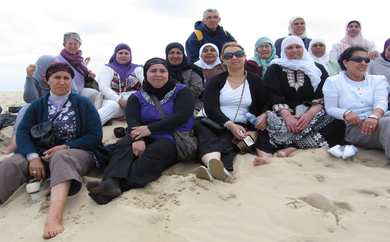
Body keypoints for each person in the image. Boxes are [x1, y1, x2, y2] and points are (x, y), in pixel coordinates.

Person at [0, 63, 111, 239]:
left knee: (60, 156)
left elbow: (95, 136)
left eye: (66, 78)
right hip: (42, 153)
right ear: (48, 81)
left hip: (79, 152)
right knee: (11, 163)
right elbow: (22, 132)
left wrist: (66, 146)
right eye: (57, 77)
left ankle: (54, 216)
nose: (62, 81)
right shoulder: (36, 105)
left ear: (71, 81)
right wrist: (33, 156)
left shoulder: (83, 103)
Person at [86, 58, 195, 205]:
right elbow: (132, 121)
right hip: (142, 133)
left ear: (168, 74)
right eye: (153, 71)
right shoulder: (136, 97)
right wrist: (138, 139)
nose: (158, 74)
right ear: (145, 74)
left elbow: (182, 116)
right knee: (123, 146)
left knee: (152, 155)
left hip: (172, 136)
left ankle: (119, 186)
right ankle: (111, 181)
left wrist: (150, 129)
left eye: (162, 71)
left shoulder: (181, 90)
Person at [194, 42, 271, 182]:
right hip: (209, 120)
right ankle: (215, 164)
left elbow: (263, 104)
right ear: (223, 61)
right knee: (207, 137)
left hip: (239, 123)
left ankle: (216, 168)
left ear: (245, 57)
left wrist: (264, 115)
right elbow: (210, 107)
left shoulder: (255, 80)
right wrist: (229, 124)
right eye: (228, 56)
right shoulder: (216, 80)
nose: (234, 58)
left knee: (228, 142)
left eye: (238, 54)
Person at [262, 36, 345, 158]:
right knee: (266, 124)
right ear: (283, 51)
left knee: (338, 122)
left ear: (304, 49)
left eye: (298, 47)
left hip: (312, 112)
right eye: (289, 48)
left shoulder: (318, 68)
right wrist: (288, 117)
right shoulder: (275, 68)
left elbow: (323, 95)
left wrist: (309, 115)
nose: (295, 50)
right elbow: (272, 94)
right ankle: (299, 143)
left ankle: (294, 147)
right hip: (282, 112)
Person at [0, 55, 77, 155]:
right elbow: (30, 99)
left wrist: (52, 83)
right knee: (26, 107)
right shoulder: (36, 77)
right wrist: (29, 77)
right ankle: (13, 143)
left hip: (62, 109)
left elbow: (75, 95)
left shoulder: (63, 76)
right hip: (40, 112)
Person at [323, 46, 390, 161]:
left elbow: (381, 102)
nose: (363, 63)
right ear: (345, 62)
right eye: (358, 59)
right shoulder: (333, 82)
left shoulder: (378, 80)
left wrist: (374, 117)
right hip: (357, 129)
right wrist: (345, 113)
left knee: (386, 122)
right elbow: (330, 108)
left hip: (380, 119)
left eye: (366, 60)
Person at [98, 43, 143, 125]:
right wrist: (120, 100)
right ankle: (84, 127)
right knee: (112, 106)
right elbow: (104, 87)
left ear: (130, 55)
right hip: (114, 101)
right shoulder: (108, 68)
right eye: (120, 53)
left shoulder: (138, 69)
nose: (123, 55)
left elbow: (146, 85)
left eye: (126, 53)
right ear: (115, 55)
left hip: (134, 102)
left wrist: (132, 101)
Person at [57, 32, 102, 106]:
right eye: (70, 44)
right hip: (65, 90)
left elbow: (85, 73)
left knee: (94, 93)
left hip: (80, 89)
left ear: (79, 45)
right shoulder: (58, 59)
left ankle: (89, 113)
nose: (72, 46)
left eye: (75, 44)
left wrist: (90, 74)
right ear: (64, 45)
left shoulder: (80, 60)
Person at [165, 42, 203, 112]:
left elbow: (196, 90)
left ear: (183, 55)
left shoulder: (193, 69)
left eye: (178, 53)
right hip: (165, 107)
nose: (175, 56)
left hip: (192, 106)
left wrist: (171, 95)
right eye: (172, 53)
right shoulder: (162, 71)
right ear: (167, 55)